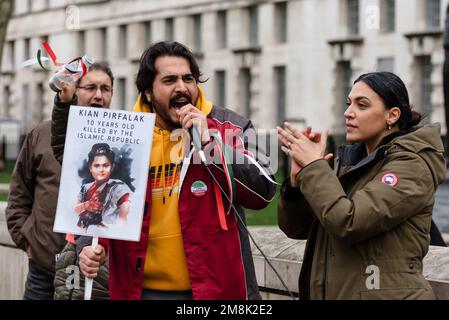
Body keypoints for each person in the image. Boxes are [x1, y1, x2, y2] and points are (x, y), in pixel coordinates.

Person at [52, 41, 276, 300]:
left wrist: (209, 143)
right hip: (138, 292)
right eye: (169, 80)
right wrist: (93, 248)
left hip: (214, 293)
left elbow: (264, 192)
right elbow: (100, 206)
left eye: (188, 79)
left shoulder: (229, 126)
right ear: (148, 91)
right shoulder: (124, 136)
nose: (182, 88)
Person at [277, 71, 447, 300]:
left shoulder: (411, 165)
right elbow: (297, 229)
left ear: (392, 115)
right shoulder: (350, 164)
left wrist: (315, 167)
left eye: (362, 105)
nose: (348, 113)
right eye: (349, 104)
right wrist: (298, 183)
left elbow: (347, 222)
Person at [5, 62, 114, 300]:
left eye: (105, 89)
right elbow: (19, 194)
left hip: (96, 273)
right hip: (44, 269)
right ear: (74, 90)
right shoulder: (42, 135)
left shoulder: (122, 142)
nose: (98, 95)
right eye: (90, 87)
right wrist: (27, 241)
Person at [75, 143, 132, 231]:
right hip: (82, 232)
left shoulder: (119, 189)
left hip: (108, 235)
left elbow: (124, 220)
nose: (101, 170)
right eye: (97, 165)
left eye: (105, 165)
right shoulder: (85, 188)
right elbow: (75, 210)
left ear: (112, 167)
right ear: (90, 167)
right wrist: (87, 205)